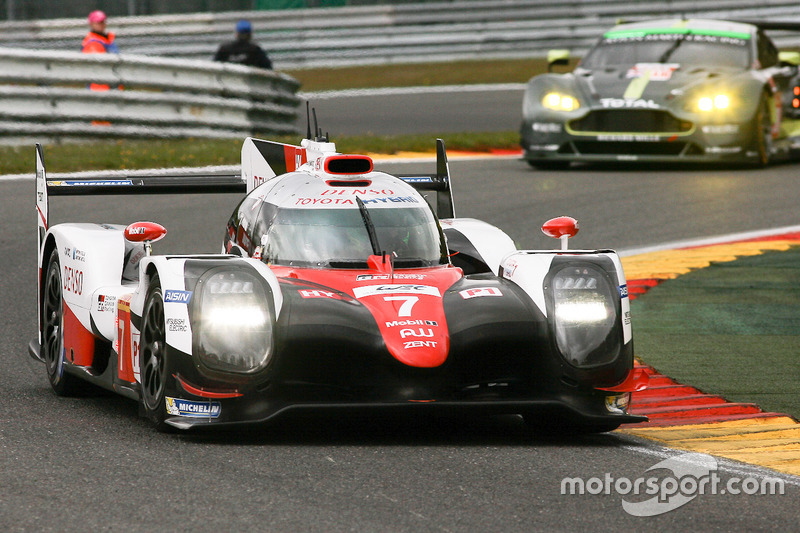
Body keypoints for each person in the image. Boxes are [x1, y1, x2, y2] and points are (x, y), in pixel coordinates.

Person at [81, 10, 119, 91]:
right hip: (98, 89)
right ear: (91, 24)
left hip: (112, 85)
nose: (101, 25)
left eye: (102, 22)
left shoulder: (108, 40)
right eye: (98, 22)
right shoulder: (92, 43)